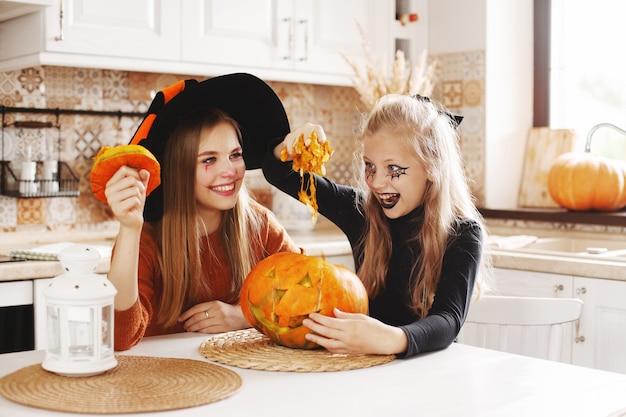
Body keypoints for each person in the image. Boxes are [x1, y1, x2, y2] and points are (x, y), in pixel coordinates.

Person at [262, 93, 489, 358]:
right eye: (370, 166)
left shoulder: (463, 234)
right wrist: (292, 146)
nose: (377, 182)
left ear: (432, 167)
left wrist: (391, 339)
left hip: (431, 374)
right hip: (368, 371)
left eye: (393, 168)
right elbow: (278, 172)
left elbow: (448, 320)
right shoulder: (360, 212)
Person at [104, 73, 300, 351]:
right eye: (209, 159)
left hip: (241, 379)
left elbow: (309, 298)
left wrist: (243, 315)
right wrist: (128, 227)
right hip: (157, 382)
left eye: (235, 155)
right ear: (179, 169)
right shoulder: (147, 239)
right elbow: (118, 337)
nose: (229, 171)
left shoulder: (260, 225)